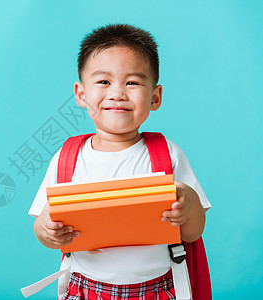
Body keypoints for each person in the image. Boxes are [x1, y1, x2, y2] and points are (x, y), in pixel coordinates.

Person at [28, 24, 211, 299]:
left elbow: (194, 232)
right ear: (81, 94)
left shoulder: (166, 153)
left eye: (133, 82)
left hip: (157, 289)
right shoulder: (68, 158)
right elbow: (45, 230)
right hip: (87, 289)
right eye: (103, 81)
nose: (117, 93)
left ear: (155, 97)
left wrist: (189, 203)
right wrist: (46, 231)